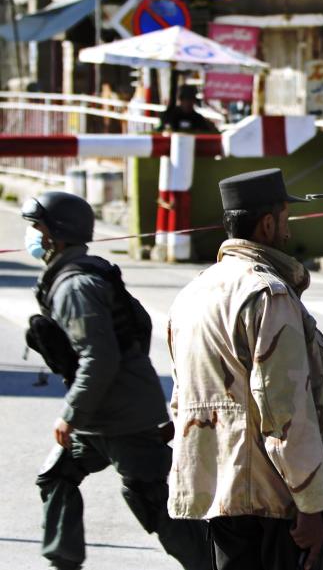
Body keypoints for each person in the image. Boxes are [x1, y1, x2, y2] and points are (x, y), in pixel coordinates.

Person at [166, 168, 323, 570]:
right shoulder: (267, 293)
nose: (287, 229)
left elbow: (181, 399)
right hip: (271, 503)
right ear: (267, 223)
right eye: (284, 218)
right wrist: (312, 504)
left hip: (218, 494)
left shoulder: (193, 292)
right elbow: (285, 411)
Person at [20, 191, 207, 570]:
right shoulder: (87, 272)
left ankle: (210, 564)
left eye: (38, 228)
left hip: (121, 418)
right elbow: (139, 327)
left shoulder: (75, 287)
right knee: (56, 476)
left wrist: (70, 413)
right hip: (103, 414)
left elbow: (99, 357)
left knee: (153, 496)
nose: (33, 236)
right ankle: (63, 560)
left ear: (57, 234)